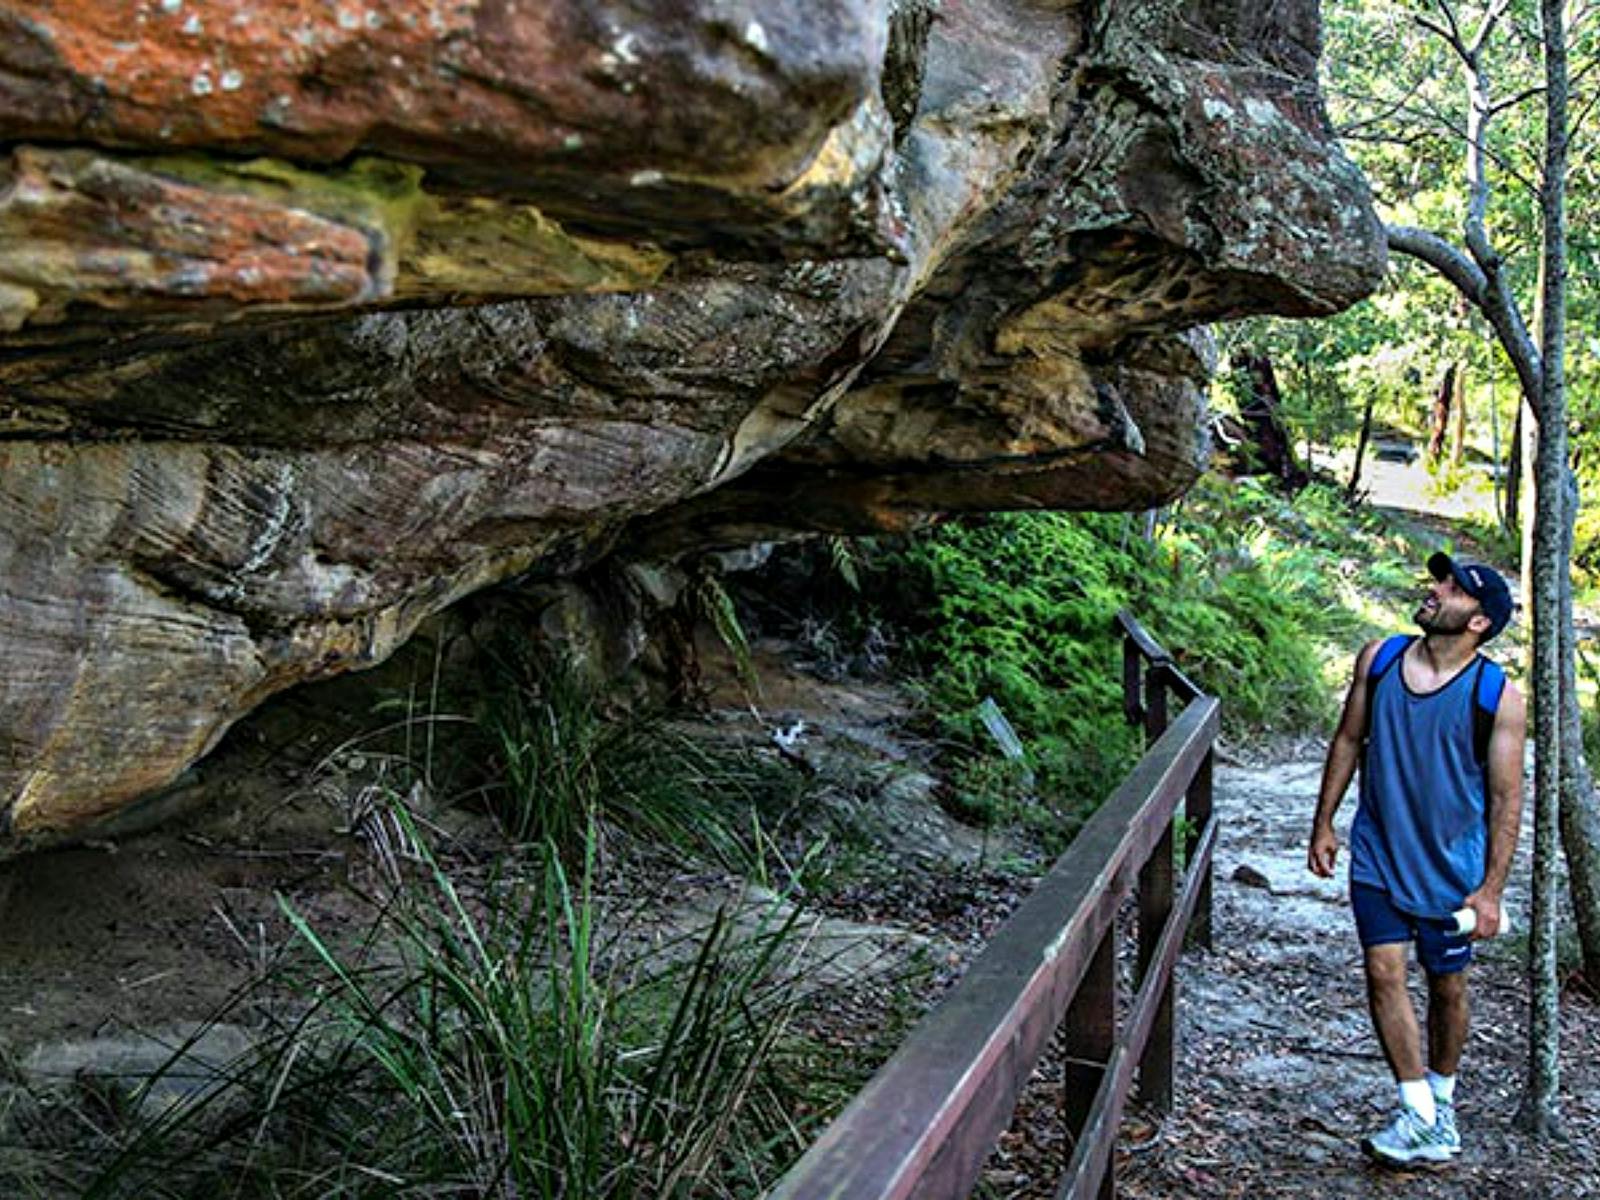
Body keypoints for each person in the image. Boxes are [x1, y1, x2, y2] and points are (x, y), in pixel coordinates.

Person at [1307, 551, 1525, 1166]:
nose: (1436, 590)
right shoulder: (1378, 660)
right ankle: (1418, 1115)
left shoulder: (1497, 696)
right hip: (1378, 848)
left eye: (1453, 589)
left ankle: (1442, 1098)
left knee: (1446, 985)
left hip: (1452, 867)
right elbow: (1349, 738)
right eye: (1439, 580)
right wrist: (1324, 822)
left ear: (1478, 622)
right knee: (1382, 971)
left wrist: (1490, 891)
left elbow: (1508, 799)